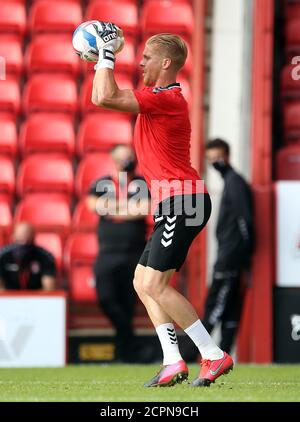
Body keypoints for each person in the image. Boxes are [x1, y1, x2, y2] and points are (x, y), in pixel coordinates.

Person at [87, 23, 233, 387]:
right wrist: (99, 62)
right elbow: (99, 97)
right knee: (143, 281)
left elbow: (105, 98)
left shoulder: (166, 99)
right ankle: (173, 361)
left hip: (183, 199)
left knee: (155, 284)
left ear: (166, 62)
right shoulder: (158, 96)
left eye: (146, 58)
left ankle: (212, 355)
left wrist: (106, 55)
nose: (139, 63)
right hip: (176, 200)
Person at [87, 144, 151, 363]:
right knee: (106, 297)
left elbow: (144, 209)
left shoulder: (141, 183)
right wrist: (128, 208)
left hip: (135, 251)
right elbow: (94, 206)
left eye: (130, 157)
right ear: (113, 160)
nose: (129, 161)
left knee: (128, 302)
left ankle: (124, 353)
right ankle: (130, 341)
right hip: (108, 252)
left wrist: (112, 207)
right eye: (124, 158)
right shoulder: (102, 183)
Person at [203, 138, 254, 354]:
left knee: (215, 307)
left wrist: (244, 252)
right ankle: (224, 354)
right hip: (230, 256)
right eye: (211, 159)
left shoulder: (235, 183)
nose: (215, 162)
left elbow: (245, 221)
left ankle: (191, 353)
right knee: (231, 308)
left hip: (230, 258)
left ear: (228, 155)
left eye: (218, 157)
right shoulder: (231, 182)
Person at [0, 222, 56, 291]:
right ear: (13, 237)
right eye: (20, 239)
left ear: (33, 237)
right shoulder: (2, 256)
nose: (24, 243)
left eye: (27, 240)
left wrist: (29, 299)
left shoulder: (45, 257)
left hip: (36, 298)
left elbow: (49, 289)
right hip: (9, 298)